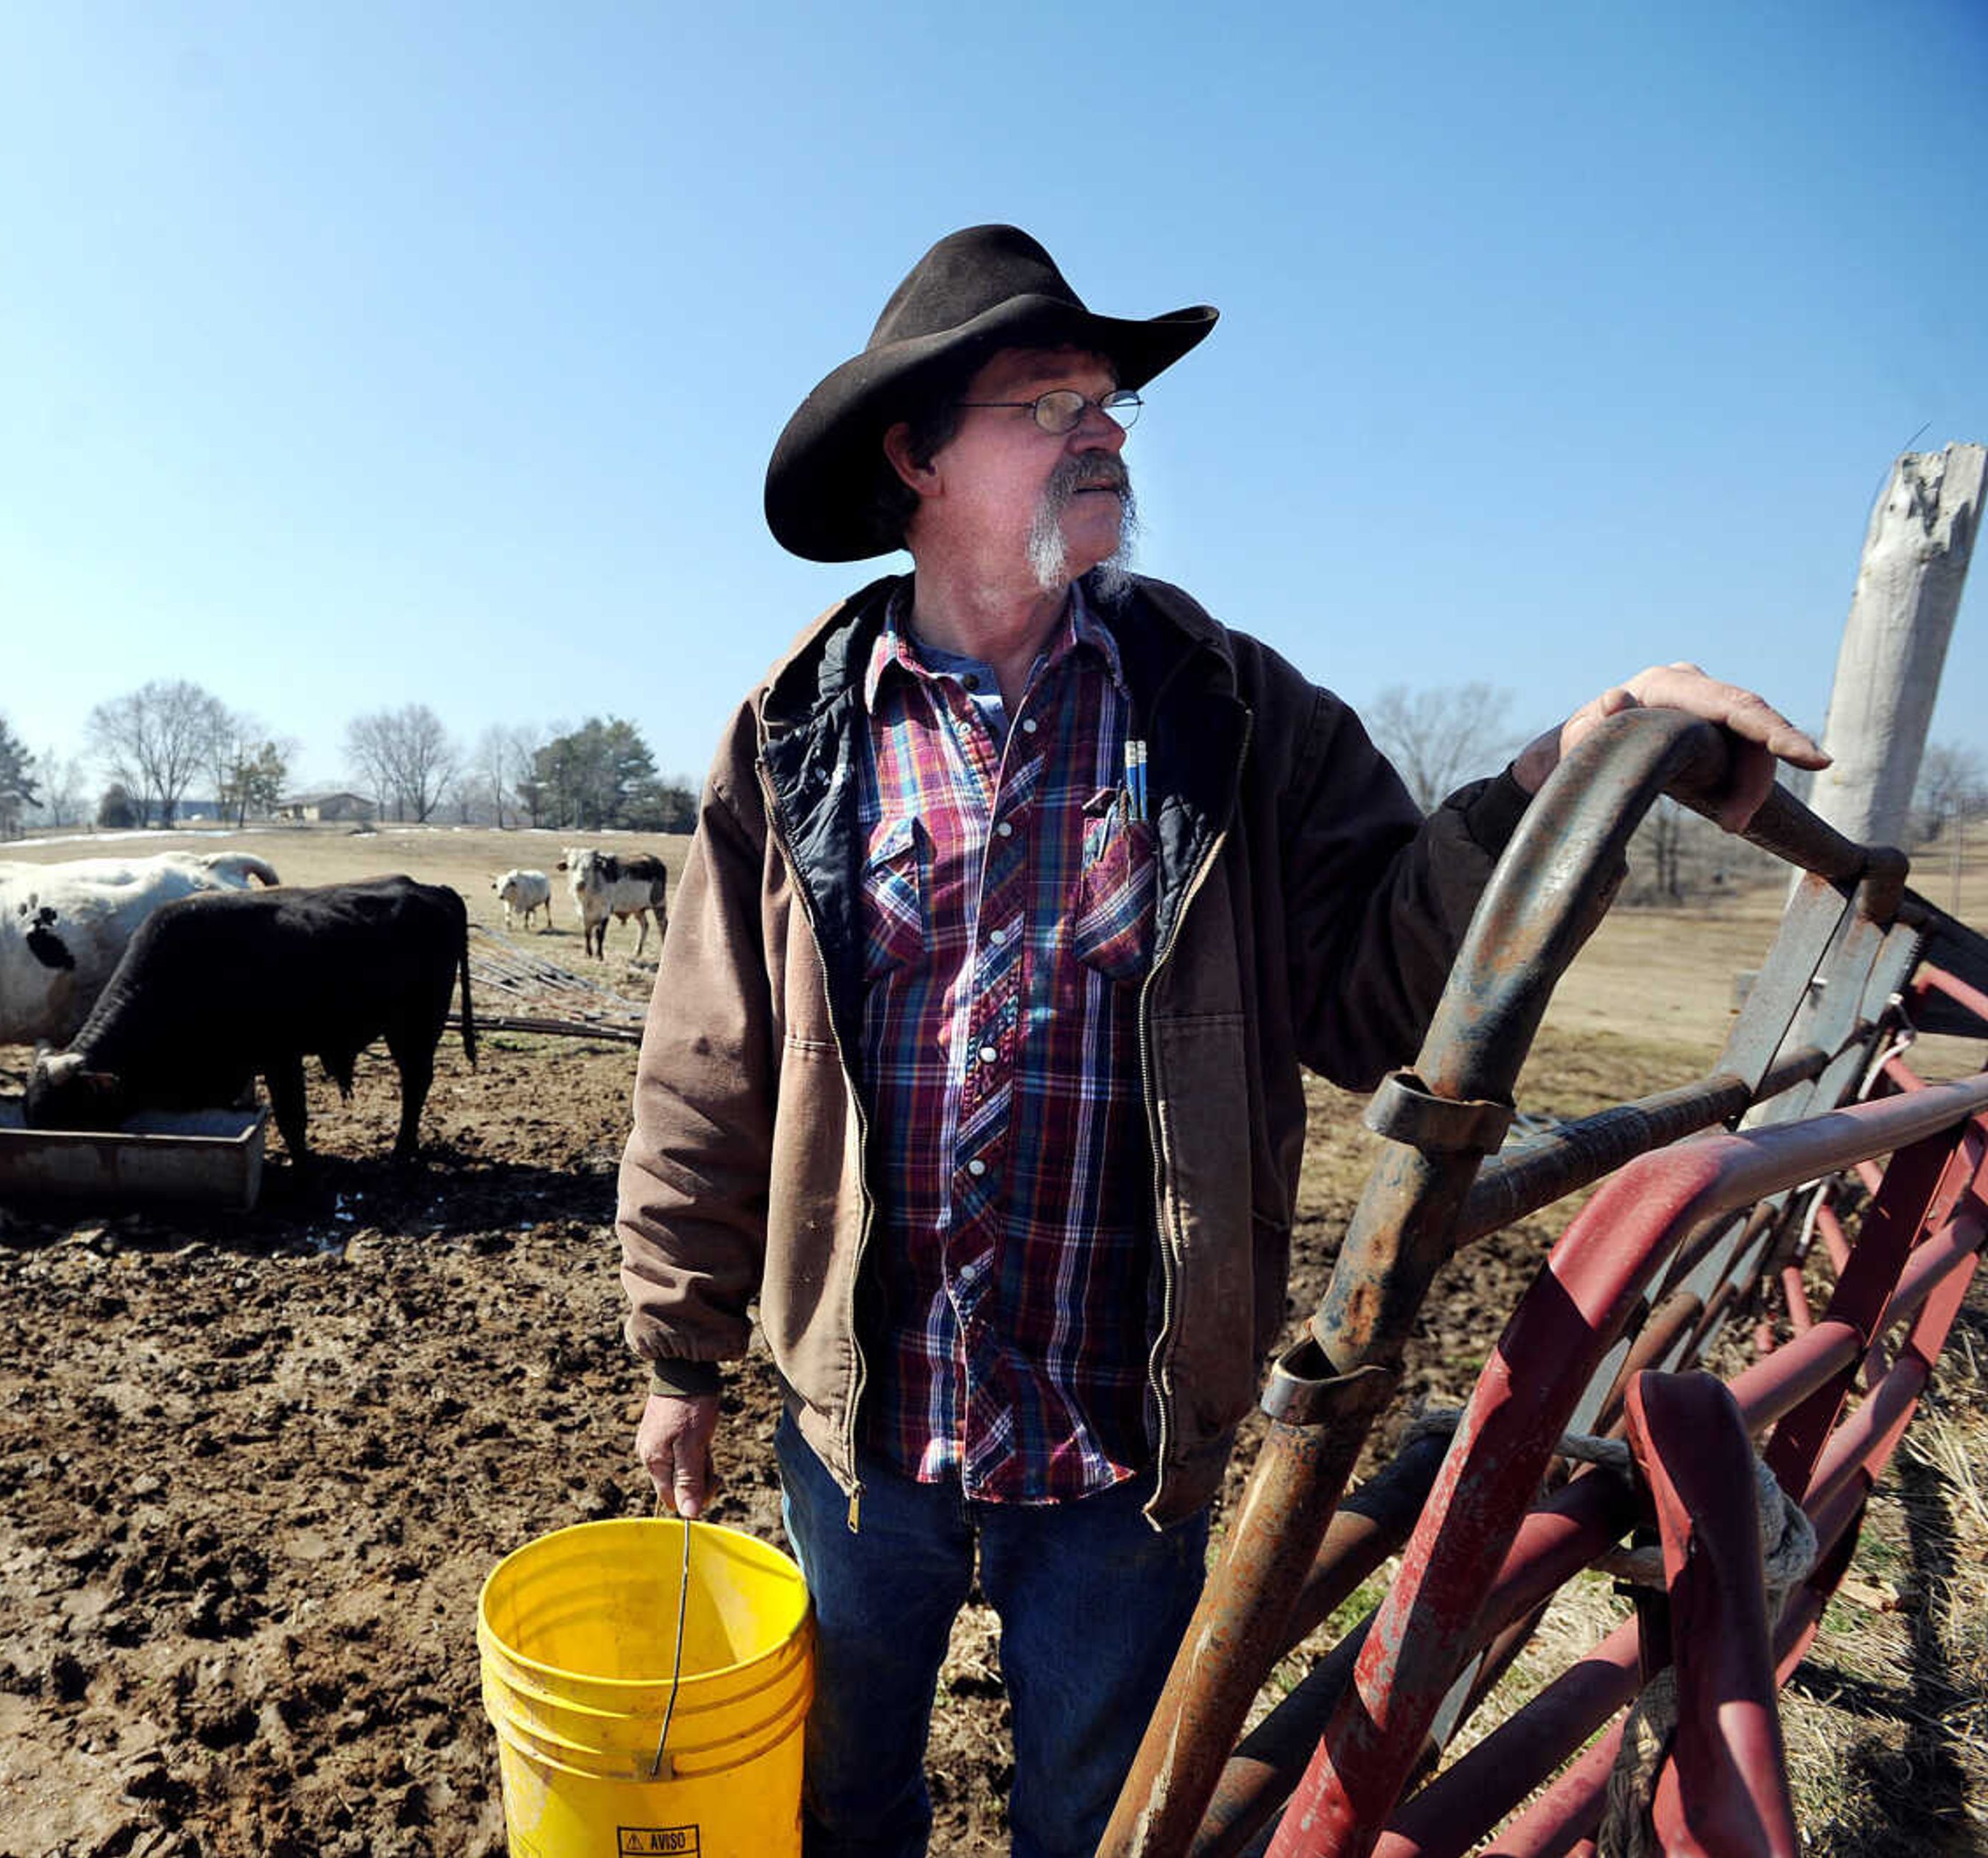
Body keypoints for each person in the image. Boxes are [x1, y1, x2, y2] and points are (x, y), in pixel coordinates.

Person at [612, 224, 1825, 1857]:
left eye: (1107, 400)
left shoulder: (1226, 709)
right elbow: (712, 1054)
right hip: (863, 1421)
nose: (1105, 430)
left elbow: (1381, 996)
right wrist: (683, 1350)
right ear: (914, 457)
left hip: (1123, 1434)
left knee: (1097, 1821)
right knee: (842, 1800)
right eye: (1050, 403)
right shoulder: (798, 728)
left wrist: (1557, 781)